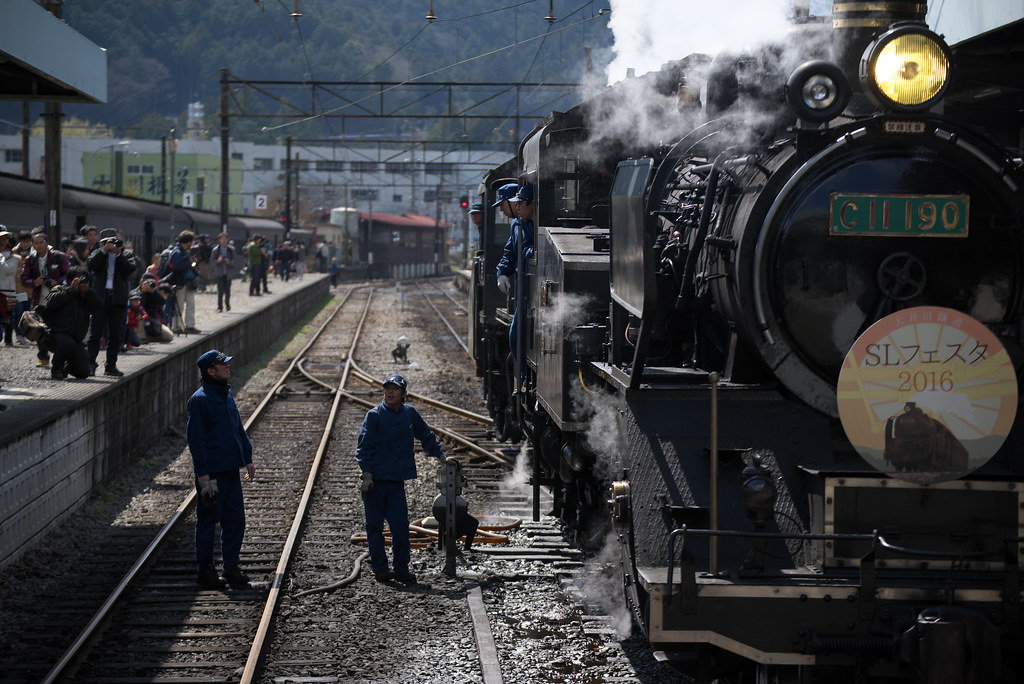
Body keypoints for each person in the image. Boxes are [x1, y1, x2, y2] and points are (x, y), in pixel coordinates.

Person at [356, 373, 445, 584]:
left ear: (404, 393)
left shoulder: (409, 414)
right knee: (374, 527)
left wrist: (441, 457)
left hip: (395, 481)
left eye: (395, 389)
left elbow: (426, 436)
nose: (390, 392)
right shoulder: (374, 415)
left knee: (400, 526)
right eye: (387, 388)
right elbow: (363, 447)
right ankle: (380, 569)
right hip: (375, 482)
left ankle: (401, 568)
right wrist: (367, 474)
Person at [187, 349, 256, 588]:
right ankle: (205, 570)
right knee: (208, 522)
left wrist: (247, 457)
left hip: (230, 471)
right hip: (212, 474)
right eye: (223, 365)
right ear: (211, 371)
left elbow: (238, 427)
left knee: (235, 520)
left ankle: (231, 568)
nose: (228, 367)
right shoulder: (200, 400)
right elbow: (196, 440)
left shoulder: (226, 395)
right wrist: (202, 474)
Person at [36, 266, 102, 379]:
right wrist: (71, 290)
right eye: (78, 279)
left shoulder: (86, 296)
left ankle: (65, 368)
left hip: (75, 339)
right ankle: (56, 367)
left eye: (83, 279)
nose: (80, 282)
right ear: (71, 279)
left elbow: (98, 307)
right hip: (55, 334)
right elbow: (51, 302)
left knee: (84, 372)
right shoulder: (61, 289)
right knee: (67, 342)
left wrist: (88, 292)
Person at [86, 229, 135, 377]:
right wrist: (103, 251)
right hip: (100, 298)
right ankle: (90, 364)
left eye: (114, 241)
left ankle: (111, 365)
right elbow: (91, 266)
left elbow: (130, 269)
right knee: (95, 333)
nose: (112, 244)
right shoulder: (97, 253)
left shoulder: (126, 255)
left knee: (115, 334)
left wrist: (118, 254)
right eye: (108, 242)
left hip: (118, 299)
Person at [21, 230, 70, 368]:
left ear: (47, 243)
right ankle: (43, 357)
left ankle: (60, 357)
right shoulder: (30, 259)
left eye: (41, 242)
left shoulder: (59, 257)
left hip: (58, 299)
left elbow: (68, 274)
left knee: (59, 329)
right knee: (38, 329)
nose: (39, 245)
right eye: (35, 243)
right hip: (39, 299)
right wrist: (34, 282)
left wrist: (57, 281)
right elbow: (24, 278)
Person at [166, 230, 201, 333]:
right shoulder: (177, 252)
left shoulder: (187, 251)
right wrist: (189, 262)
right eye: (192, 241)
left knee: (191, 303)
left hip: (189, 281)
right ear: (188, 241)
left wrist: (193, 263)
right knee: (179, 305)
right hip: (179, 281)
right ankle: (176, 327)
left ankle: (189, 325)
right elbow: (177, 266)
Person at [137, 277, 175, 342]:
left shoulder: (154, 293)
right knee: (140, 319)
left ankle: (149, 338)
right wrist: (143, 292)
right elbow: (140, 305)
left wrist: (154, 291)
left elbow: (162, 302)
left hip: (153, 320)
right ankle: (141, 338)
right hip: (141, 319)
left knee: (169, 336)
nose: (150, 286)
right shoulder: (138, 292)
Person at [0, 230, 19, 345]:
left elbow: (3, 271)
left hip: (8, 293)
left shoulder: (15, 258)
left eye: (5, 240)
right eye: (1, 240)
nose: (3, 242)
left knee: (9, 318)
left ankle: (9, 339)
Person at [211, 232, 235, 312]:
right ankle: (220, 307)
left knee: (227, 290)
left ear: (228, 240)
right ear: (219, 240)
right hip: (219, 273)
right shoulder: (215, 250)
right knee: (220, 291)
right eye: (222, 239)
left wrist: (229, 262)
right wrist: (218, 261)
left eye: (225, 239)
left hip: (228, 273)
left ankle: (227, 304)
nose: (224, 240)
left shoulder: (231, 250)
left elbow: (235, 262)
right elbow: (211, 262)